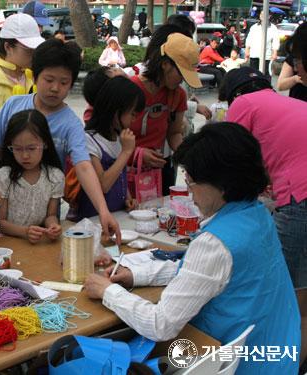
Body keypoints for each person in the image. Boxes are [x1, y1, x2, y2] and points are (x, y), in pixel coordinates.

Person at [84, 123, 300, 375]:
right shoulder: (257, 213)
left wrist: (108, 291)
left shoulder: (216, 243)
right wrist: (137, 275)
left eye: (192, 181)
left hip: (240, 365)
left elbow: (160, 324)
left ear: (222, 185)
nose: (188, 189)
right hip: (278, 351)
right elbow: (209, 274)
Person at [0, 38, 122, 242]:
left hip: (46, 217)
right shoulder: (13, 106)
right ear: (35, 77)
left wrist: (103, 211)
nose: (55, 88)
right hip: (8, 213)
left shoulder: (71, 123)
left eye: (64, 82)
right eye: (49, 80)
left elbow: (83, 166)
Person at [225, 67, 307, 290]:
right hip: (299, 188)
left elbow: (230, 157)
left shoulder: (243, 102)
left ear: (234, 96)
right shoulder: (296, 104)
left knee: (283, 280)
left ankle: (289, 324)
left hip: (299, 195)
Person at [128, 27, 200, 196]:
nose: (182, 80)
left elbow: (174, 133)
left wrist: (189, 158)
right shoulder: (130, 89)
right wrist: (138, 153)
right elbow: (109, 139)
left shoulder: (178, 95)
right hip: (123, 173)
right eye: (181, 74)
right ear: (165, 64)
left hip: (154, 175)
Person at [0, 13, 44, 162]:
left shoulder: (33, 77)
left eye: (35, 49)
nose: (33, 54)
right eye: (28, 49)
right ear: (8, 47)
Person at [71, 76, 143, 220]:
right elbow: (103, 184)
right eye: (132, 114)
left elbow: (120, 176)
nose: (134, 120)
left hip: (117, 215)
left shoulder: (118, 137)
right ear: (115, 110)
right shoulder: (89, 140)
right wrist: (126, 152)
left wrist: (128, 198)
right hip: (92, 219)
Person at [0, 109, 64, 243]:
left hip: (36, 242)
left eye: (31, 148)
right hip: (7, 244)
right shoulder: (3, 177)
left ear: (45, 143)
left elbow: (51, 215)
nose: (25, 156)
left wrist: (53, 226)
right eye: (17, 149)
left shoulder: (55, 176)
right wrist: (25, 232)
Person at [277, 23, 307, 101]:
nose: (296, 69)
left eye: (298, 60)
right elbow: (280, 85)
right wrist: (295, 79)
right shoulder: (291, 58)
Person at [245, 11, 279, 76]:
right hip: (254, 54)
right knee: (253, 75)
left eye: (265, 14)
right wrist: (247, 50)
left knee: (266, 75)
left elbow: (275, 41)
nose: (262, 15)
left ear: (269, 16)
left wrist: (275, 53)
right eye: (261, 14)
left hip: (266, 56)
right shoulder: (254, 27)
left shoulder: (273, 28)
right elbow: (249, 39)